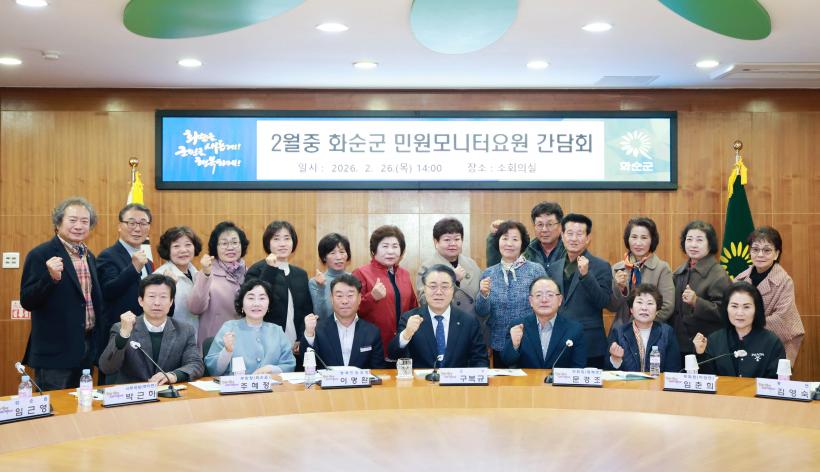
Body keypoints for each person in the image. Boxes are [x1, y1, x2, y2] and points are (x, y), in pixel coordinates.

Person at [20, 197, 103, 391]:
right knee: (54, 406)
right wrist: (50, 278)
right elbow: (27, 301)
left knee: (82, 403)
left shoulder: (89, 256)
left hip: (86, 347)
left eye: (85, 221)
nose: (79, 226)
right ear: (58, 223)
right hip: (55, 354)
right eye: (72, 220)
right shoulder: (41, 254)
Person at [99, 274, 204, 385]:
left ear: (171, 302)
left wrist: (173, 376)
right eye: (151, 296)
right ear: (141, 301)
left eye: (163, 297)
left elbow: (196, 364)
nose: (157, 303)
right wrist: (123, 335)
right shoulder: (122, 327)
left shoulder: (185, 330)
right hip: (134, 393)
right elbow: (107, 368)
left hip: (169, 393)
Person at [476, 221, 546, 367]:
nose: (509, 243)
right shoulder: (489, 273)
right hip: (499, 343)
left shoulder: (536, 270)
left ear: (522, 243)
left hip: (530, 342)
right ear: (498, 242)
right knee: (502, 381)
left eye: (515, 239)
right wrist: (483, 294)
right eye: (505, 238)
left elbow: (545, 305)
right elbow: (482, 312)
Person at [389, 265, 488, 368]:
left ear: (453, 290)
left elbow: (480, 359)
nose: (439, 292)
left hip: (457, 378)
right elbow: (393, 355)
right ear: (424, 289)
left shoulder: (468, 321)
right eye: (433, 286)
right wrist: (406, 334)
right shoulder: (409, 318)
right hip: (421, 378)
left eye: (444, 287)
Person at [734, 226, 804, 365]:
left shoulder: (785, 281)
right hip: (744, 341)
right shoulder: (740, 279)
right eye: (755, 249)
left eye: (767, 250)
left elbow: (782, 319)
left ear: (776, 254)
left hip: (777, 343)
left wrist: (746, 324)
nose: (760, 255)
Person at [549, 213, 612, 368]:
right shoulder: (554, 267)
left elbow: (603, 301)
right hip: (559, 342)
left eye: (579, 234)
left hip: (590, 343)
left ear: (588, 238)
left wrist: (586, 275)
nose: (574, 238)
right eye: (569, 233)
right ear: (562, 236)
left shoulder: (601, 266)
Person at [96, 204, 154, 363]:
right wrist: (134, 268)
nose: (137, 228)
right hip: (117, 336)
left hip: (143, 336)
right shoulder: (107, 256)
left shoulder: (148, 262)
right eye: (131, 223)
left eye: (143, 223)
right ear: (119, 226)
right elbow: (108, 291)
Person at [247, 220, 313, 357]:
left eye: (287, 238)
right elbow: (255, 303)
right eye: (276, 239)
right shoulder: (257, 270)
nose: (282, 244)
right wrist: (270, 269)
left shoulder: (301, 274)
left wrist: (302, 338)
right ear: (268, 243)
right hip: (265, 346)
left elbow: (306, 311)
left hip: (295, 346)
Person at [353, 225, 419, 361]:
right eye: (385, 246)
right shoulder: (361, 273)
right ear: (374, 250)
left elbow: (413, 308)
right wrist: (372, 297)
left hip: (403, 345)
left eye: (395, 246)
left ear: (401, 251)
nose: (390, 251)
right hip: (374, 346)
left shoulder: (405, 274)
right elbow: (350, 310)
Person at [693, 282, 786, 379]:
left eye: (746, 307)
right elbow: (706, 380)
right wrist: (700, 354)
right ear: (726, 308)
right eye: (734, 306)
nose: (740, 313)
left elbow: (776, 381)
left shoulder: (772, 342)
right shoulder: (714, 340)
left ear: (756, 309)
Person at [205, 279, 296, 376]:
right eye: (251, 298)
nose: (256, 304)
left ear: (269, 304)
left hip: (270, 385)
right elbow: (213, 370)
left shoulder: (277, 331)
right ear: (242, 304)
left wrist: (271, 369)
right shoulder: (229, 328)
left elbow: (289, 365)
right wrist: (227, 351)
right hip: (236, 385)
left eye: (262, 298)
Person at [670, 220, 731, 358]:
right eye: (689, 239)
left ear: (710, 244)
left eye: (699, 240)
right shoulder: (679, 272)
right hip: (678, 345)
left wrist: (696, 302)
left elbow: (725, 312)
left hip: (706, 347)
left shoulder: (718, 274)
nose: (693, 244)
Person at [301, 274, 385, 369]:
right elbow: (306, 364)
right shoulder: (317, 329)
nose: (344, 301)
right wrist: (309, 334)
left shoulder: (372, 332)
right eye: (339, 296)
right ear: (331, 299)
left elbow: (378, 370)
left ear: (359, 298)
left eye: (350, 295)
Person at [501, 277, 586, 369]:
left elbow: (578, 367)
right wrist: (515, 345)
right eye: (538, 295)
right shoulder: (518, 326)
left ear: (559, 300)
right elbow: (507, 361)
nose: (544, 300)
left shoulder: (574, 329)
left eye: (550, 295)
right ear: (531, 301)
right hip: (528, 378)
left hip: (559, 379)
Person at [416, 218, 482, 338]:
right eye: (447, 240)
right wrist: (453, 280)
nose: (453, 243)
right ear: (436, 242)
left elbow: (480, 298)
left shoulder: (471, 264)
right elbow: (424, 301)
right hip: (444, 329)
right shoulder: (427, 267)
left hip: (472, 328)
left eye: (457, 239)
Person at [188, 221, 249, 350]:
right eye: (224, 243)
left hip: (244, 343)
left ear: (242, 245)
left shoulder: (249, 273)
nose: (230, 247)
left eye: (234, 242)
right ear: (215, 247)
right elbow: (195, 308)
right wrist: (205, 274)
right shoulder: (206, 273)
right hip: (215, 344)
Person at [608, 217, 674, 330]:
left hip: (652, 331)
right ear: (627, 239)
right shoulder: (617, 269)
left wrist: (642, 325)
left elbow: (667, 307)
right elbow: (611, 306)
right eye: (634, 237)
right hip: (621, 331)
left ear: (652, 240)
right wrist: (620, 288)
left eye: (644, 237)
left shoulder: (662, 268)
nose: (638, 243)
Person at [606, 283, 681, 373]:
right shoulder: (618, 332)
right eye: (639, 302)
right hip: (628, 382)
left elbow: (673, 371)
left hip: (657, 382)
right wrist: (615, 360)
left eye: (650, 303)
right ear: (631, 309)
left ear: (657, 311)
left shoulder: (667, 333)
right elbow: (607, 371)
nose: (644, 308)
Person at [485, 201, 565, 277]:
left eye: (550, 224)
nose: (544, 229)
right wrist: (495, 235)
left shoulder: (568, 250)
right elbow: (496, 271)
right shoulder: (525, 251)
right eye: (540, 224)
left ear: (560, 226)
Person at [155, 226, 202, 337]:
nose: (183, 250)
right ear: (168, 250)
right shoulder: (159, 275)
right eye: (176, 246)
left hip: (194, 336)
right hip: (172, 337)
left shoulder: (196, 273)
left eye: (188, 245)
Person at [308, 233, 352, 321]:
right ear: (324, 257)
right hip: (326, 328)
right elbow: (320, 316)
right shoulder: (315, 282)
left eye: (342, 252)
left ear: (347, 255)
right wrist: (321, 288)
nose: (338, 257)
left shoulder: (354, 278)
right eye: (332, 253)